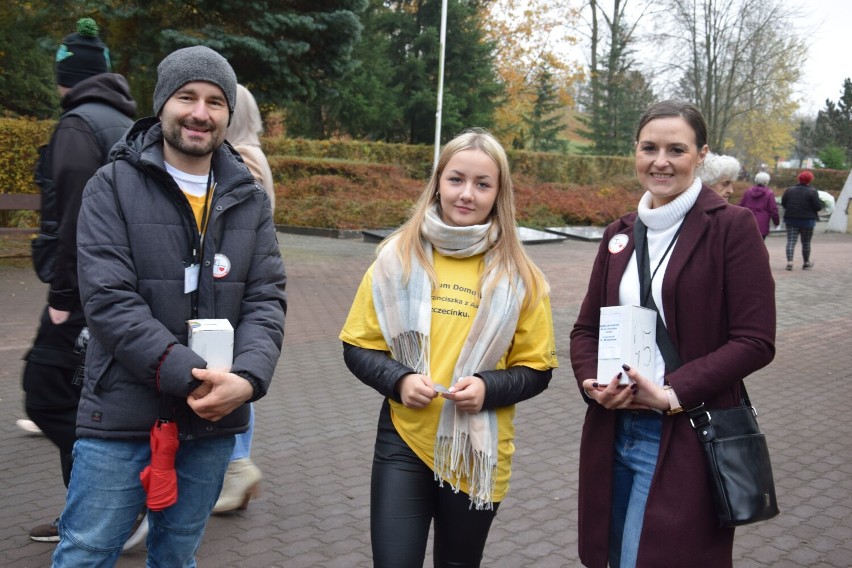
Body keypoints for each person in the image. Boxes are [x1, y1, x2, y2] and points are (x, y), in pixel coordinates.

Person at [51, 45, 286, 567]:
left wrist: (247, 379)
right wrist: (192, 373)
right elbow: (110, 301)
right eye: (186, 97)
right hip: (121, 415)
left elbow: (266, 299)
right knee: (86, 553)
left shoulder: (248, 197)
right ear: (162, 104)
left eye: (215, 101)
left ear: (228, 114)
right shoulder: (111, 186)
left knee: (177, 555)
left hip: (213, 422)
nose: (200, 113)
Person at [570, 100, 775, 568]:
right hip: (612, 426)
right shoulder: (618, 235)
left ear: (700, 155)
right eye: (649, 148)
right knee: (611, 556)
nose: (660, 161)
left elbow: (755, 339)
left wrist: (671, 394)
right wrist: (590, 383)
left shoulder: (731, 228)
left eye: (676, 149)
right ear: (636, 153)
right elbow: (586, 328)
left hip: (684, 430)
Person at [340, 128, 558, 568]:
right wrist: (399, 380)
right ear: (437, 181)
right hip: (404, 439)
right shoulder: (396, 257)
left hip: (475, 451)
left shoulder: (522, 276)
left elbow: (537, 369)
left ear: (499, 194)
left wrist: (488, 387)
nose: (467, 194)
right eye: (456, 179)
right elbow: (357, 348)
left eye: (483, 184)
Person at [21, 17, 136, 543]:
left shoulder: (77, 126)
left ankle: (116, 505)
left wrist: (64, 298)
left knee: (47, 395)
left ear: (65, 76)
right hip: (122, 287)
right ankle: (88, 513)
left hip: (84, 292)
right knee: (84, 400)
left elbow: (71, 218)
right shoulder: (124, 123)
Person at [212, 84, 274, 514]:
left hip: (233, 286)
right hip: (239, 282)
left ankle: (236, 464)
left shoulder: (242, 161)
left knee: (231, 377)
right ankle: (235, 465)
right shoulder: (252, 153)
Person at [781, 170, 823, 270]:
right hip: (807, 221)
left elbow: (784, 203)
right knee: (806, 242)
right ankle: (806, 262)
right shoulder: (812, 191)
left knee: (791, 241)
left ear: (799, 179)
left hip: (791, 219)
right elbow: (818, 207)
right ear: (810, 180)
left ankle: (790, 262)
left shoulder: (789, 190)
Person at [738, 171, 780, 240]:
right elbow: (773, 210)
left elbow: (740, 205)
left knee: (746, 247)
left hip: (747, 223)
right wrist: (776, 222)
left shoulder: (748, 192)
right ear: (767, 181)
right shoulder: (769, 193)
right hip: (761, 225)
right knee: (759, 247)